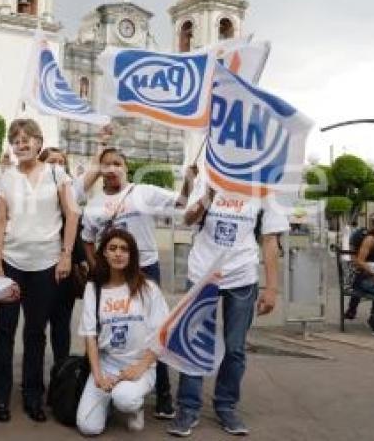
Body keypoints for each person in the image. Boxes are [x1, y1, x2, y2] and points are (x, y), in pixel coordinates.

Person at [168, 178, 288, 438]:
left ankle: (226, 405)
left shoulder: (264, 190)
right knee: (194, 341)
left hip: (242, 277)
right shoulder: (206, 180)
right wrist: (207, 196)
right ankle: (188, 407)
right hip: (202, 273)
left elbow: (270, 241)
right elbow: (187, 219)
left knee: (235, 348)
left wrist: (271, 288)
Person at [80, 147, 194, 419]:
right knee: (110, 326)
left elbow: (180, 202)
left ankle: (163, 396)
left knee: (154, 331)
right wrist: (96, 267)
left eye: (117, 163)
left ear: (126, 168)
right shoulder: (93, 204)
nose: (112, 169)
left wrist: (188, 182)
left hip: (145, 269)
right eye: (106, 165)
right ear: (100, 171)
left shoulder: (143, 192)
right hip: (113, 272)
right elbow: (87, 238)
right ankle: (103, 385)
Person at [0, 118, 79, 423]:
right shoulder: (4, 178)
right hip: (12, 263)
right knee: (4, 332)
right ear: (11, 147)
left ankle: (32, 396)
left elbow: (72, 215)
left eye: (28, 138)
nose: (22, 143)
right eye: (16, 139)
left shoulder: (57, 173)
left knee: (35, 333)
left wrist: (66, 255)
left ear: (40, 143)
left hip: (46, 264)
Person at [76, 228, 168, 435]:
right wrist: (98, 375)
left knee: (125, 399)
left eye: (124, 249)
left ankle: (135, 407)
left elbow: (163, 332)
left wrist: (142, 366)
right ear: (104, 254)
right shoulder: (93, 289)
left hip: (139, 365)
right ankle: (107, 401)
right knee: (88, 427)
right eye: (113, 248)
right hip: (107, 365)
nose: (118, 253)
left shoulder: (148, 288)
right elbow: (90, 336)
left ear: (132, 255)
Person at [37, 146, 89, 366]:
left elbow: (75, 231)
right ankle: (33, 383)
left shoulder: (70, 193)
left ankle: (61, 378)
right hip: (38, 267)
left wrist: (81, 260)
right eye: (52, 162)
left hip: (65, 268)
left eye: (61, 162)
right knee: (36, 327)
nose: (57, 166)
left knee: (61, 326)